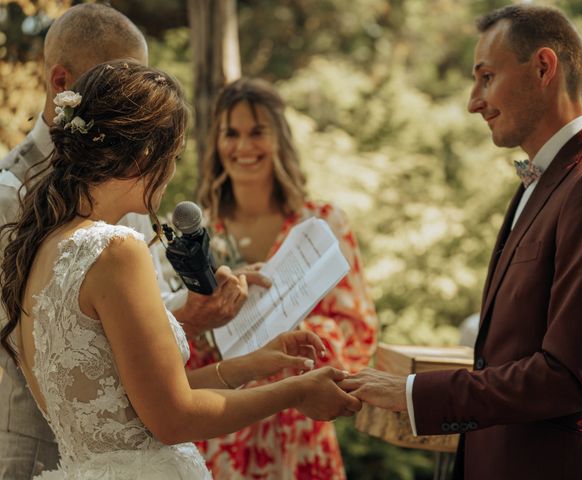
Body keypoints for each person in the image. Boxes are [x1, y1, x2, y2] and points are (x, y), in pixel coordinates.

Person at [0, 60, 361, 480]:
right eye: (173, 156)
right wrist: (295, 391)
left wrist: (256, 363)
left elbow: (141, 402)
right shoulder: (116, 250)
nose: (171, 174)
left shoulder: (41, 247)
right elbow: (174, 419)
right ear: (147, 156)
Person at [340, 5, 582, 480]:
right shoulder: (539, 180)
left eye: (486, 77)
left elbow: (568, 376)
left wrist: (413, 393)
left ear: (543, 67)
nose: (473, 102)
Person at [0, 5, 264, 478]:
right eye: (118, 80)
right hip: (34, 449)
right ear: (65, 84)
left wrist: (201, 316)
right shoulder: (9, 195)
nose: (133, 101)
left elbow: (126, 328)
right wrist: (297, 392)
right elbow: (60, 337)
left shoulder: (119, 201)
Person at [191, 77, 378, 479]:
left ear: (280, 138)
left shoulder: (325, 222)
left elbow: (358, 328)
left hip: (299, 426)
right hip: (223, 427)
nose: (243, 147)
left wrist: (292, 334)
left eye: (257, 132)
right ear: (217, 143)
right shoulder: (201, 235)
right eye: (231, 134)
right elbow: (179, 341)